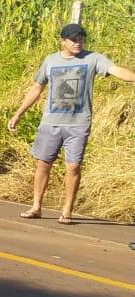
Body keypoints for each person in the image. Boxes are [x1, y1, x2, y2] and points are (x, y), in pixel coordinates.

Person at [8, 23, 135, 224]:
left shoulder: (93, 59)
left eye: (81, 39)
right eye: (73, 39)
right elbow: (36, 88)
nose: (78, 43)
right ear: (63, 41)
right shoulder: (51, 61)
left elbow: (116, 70)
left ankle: (67, 211)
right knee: (43, 163)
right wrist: (18, 114)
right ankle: (36, 207)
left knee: (73, 166)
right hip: (51, 122)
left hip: (78, 124)